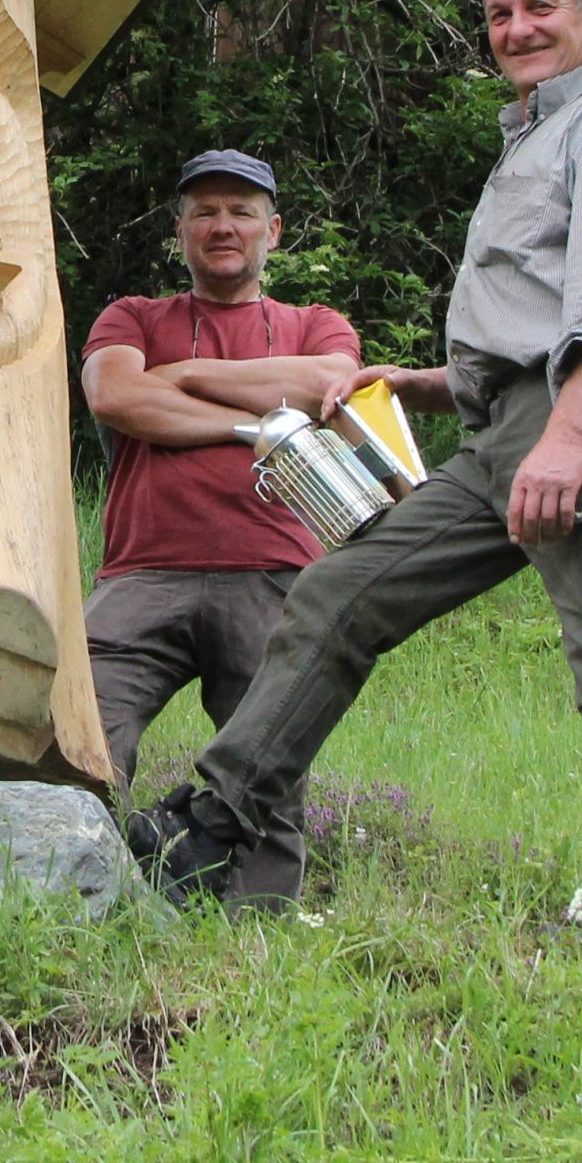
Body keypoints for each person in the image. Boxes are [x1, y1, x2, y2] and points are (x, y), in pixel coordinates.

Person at [123, 0, 582, 915]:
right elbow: (528, 315)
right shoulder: (529, 138)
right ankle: (209, 826)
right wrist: (421, 384)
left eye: (538, 5)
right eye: (498, 14)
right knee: (337, 594)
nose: (516, 29)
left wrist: (569, 436)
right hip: (500, 432)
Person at [78, 150, 366, 901]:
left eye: (240, 210)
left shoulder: (314, 323)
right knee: (79, 734)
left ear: (273, 229)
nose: (222, 225)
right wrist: (255, 424)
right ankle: (79, 896)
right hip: (142, 571)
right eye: (203, 210)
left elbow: (321, 384)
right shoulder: (132, 316)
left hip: (273, 570)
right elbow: (114, 396)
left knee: (269, 759)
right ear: (179, 232)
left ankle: (258, 930)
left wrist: (176, 377)